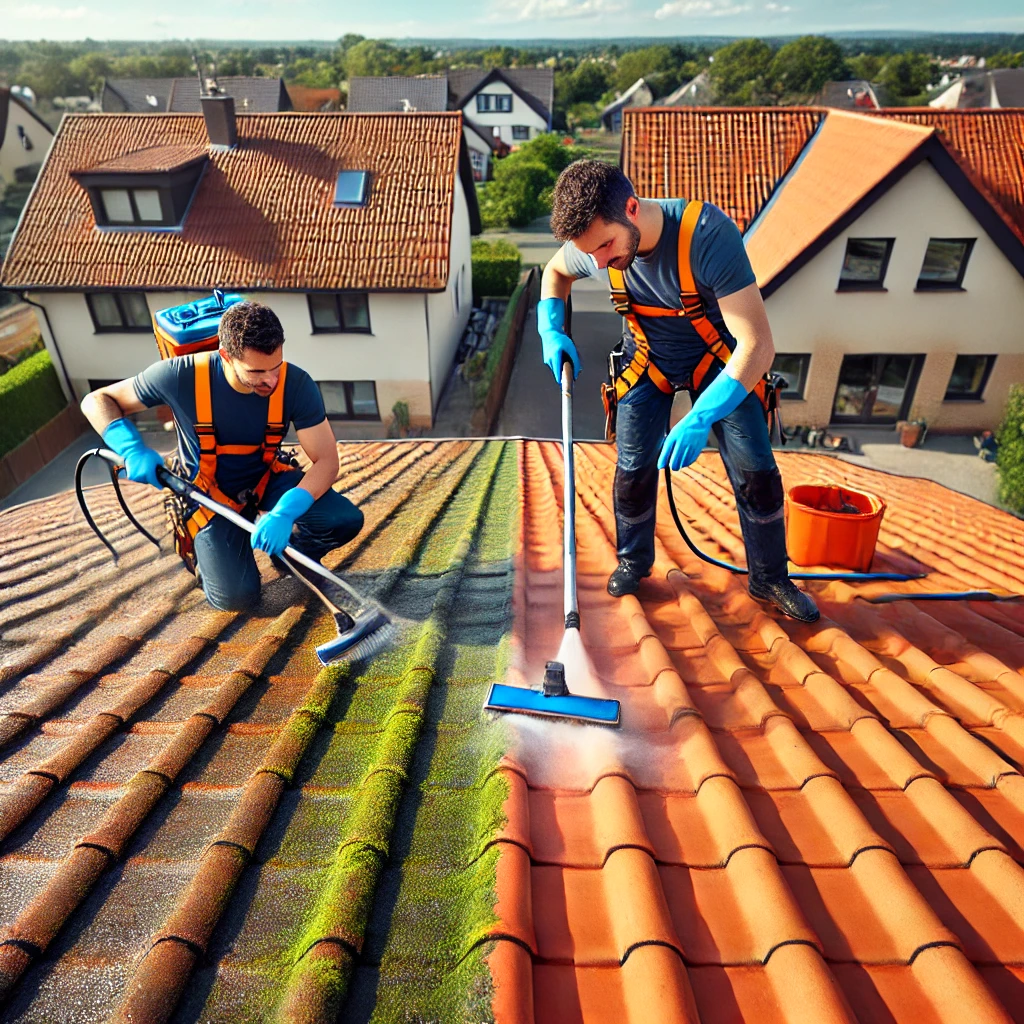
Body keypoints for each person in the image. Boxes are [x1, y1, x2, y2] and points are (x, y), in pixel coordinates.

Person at [539, 160, 818, 623]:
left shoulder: (708, 236)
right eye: (593, 256)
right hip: (647, 359)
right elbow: (555, 273)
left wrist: (700, 417)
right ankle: (633, 561)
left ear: (631, 208)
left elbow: (758, 346)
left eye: (606, 247)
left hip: (719, 360)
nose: (601, 263)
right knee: (631, 471)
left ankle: (770, 577)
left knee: (758, 473)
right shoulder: (595, 245)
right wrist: (551, 328)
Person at [80, 300, 364, 614]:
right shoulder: (180, 376)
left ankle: (292, 555)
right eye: (256, 371)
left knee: (343, 520)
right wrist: (131, 448)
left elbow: (326, 460)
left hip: (265, 478)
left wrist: (285, 512)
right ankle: (216, 556)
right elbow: (97, 400)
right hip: (207, 494)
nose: (270, 379)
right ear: (226, 356)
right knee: (238, 598)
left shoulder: (295, 384)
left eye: (275, 366)